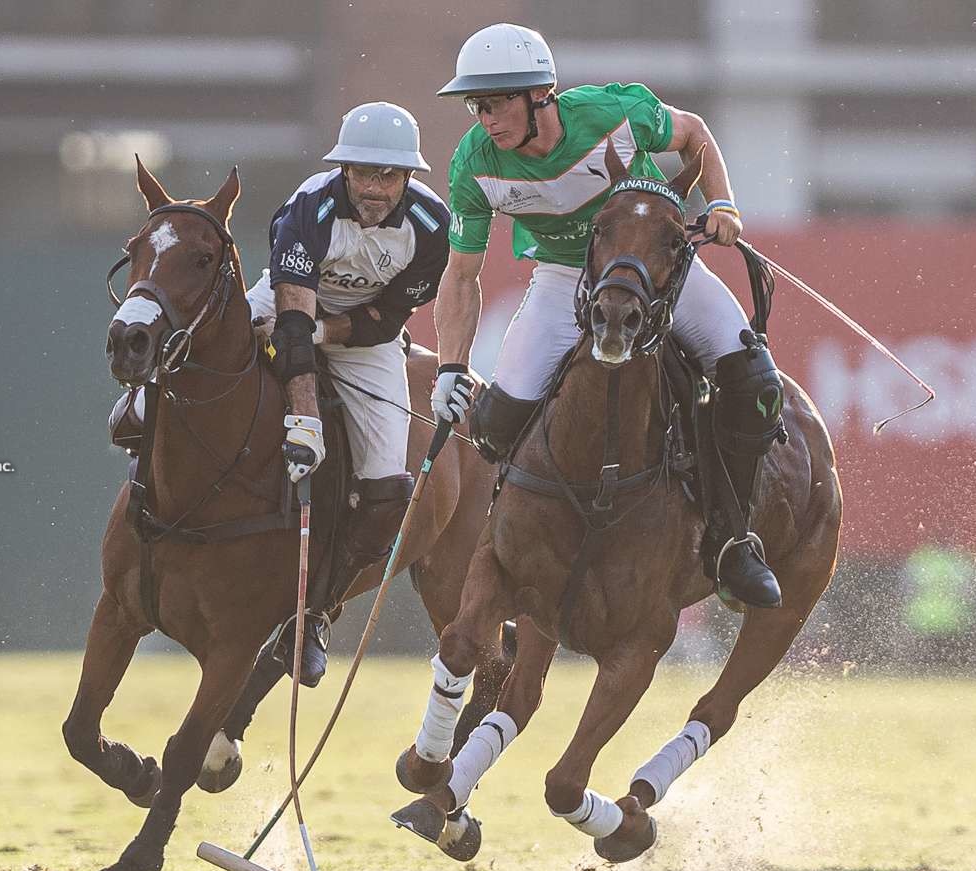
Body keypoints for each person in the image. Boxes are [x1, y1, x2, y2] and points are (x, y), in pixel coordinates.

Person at [427, 23, 785, 608]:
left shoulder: (613, 113)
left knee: (755, 385)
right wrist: (449, 367)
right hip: (564, 279)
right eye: (477, 105)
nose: (485, 118)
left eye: (496, 103)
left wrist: (721, 203)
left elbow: (695, 136)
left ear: (539, 94)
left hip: (655, 269)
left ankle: (730, 542)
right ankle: (515, 557)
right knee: (496, 420)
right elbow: (462, 277)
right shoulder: (475, 165)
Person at [255, 101, 451, 684]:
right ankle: (139, 418)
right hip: (285, 307)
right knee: (204, 359)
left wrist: (325, 331)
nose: (374, 186)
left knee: (390, 492)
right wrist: (305, 421)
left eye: (388, 175)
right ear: (344, 170)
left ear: (409, 177)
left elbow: (386, 322)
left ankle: (314, 615)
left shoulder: (432, 230)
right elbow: (289, 321)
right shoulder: (308, 208)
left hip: (361, 336)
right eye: (363, 172)